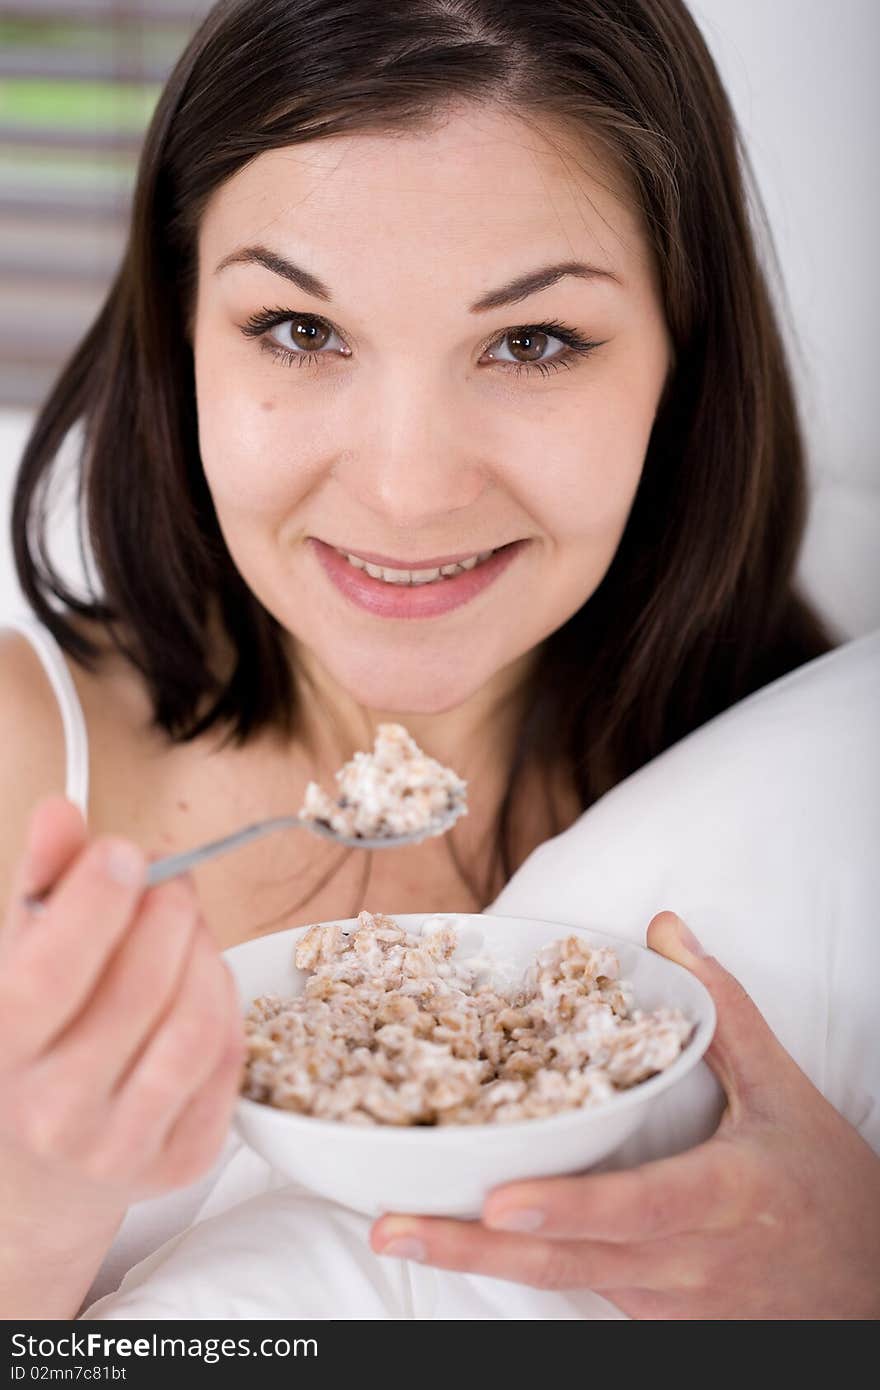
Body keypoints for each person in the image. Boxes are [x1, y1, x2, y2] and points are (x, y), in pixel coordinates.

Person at [1, 0, 877, 1321]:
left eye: (532, 341)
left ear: (679, 367)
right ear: (179, 332)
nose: (408, 491)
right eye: (299, 328)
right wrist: (33, 1190)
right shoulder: (22, 767)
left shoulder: (814, 801)